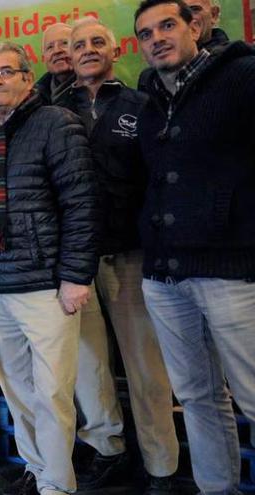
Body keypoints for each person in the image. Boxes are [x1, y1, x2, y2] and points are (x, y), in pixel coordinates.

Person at [135, 1, 255, 493]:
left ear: (197, 26)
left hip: (231, 271)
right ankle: (216, 489)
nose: (157, 38)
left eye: (168, 26)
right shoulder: (149, 105)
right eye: (145, 33)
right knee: (198, 397)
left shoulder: (243, 77)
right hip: (164, 275)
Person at [59, 17, 180, 494]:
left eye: (96, 42)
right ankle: (109, 449)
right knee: (88, 369)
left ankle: (161, 466)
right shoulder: (54, 110)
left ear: (114, 50)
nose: (88, 49)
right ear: (67, 55)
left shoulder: (141, 105)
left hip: (131, 257)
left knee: (146, 368)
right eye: (78, 44)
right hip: (76, 264)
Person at [0, 42, 99, 495]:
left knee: (52, 394)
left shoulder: (56, 123)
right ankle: (35, 468)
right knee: (18, 391)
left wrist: (76, 276)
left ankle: (58, 485)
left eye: (7, 72)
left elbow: (81, 205)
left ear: (28, 78)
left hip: (47, 285)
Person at [34, 24, 75, 104]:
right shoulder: (35, 98)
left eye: (64, 43)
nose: (56, 51)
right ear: (44, 57)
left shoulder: (94, 86)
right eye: (50, 47)